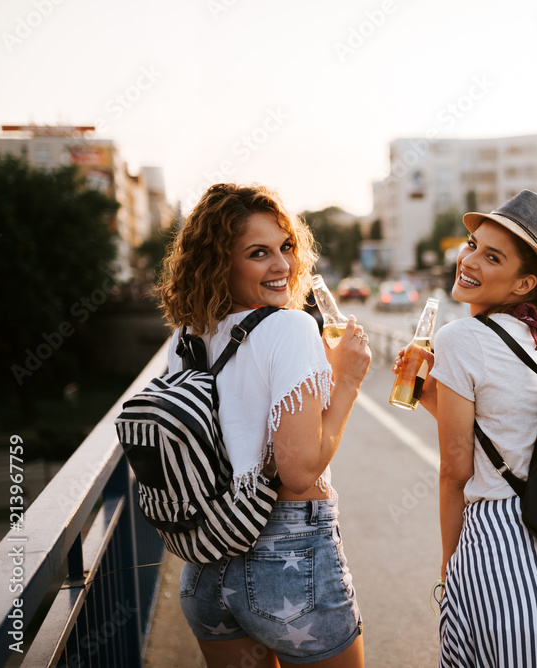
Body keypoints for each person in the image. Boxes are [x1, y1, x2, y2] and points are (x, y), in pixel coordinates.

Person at [392, 190, 537, 666]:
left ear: (524, 283)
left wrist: (449, 564)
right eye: (473, 244)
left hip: (502, 548)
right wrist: (431, 392)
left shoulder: (461, 337)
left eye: (491, 256)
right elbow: (502, 434)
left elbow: (455, 470)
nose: (469, 260)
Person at [157, 183, 370, 668]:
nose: (283, 266)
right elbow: (299, 471)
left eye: (287, 247)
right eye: (259, 253)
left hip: (206, 563)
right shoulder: (290, 327)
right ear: (222, 264)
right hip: (288, 559)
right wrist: (348, 382)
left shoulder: (186, 338)